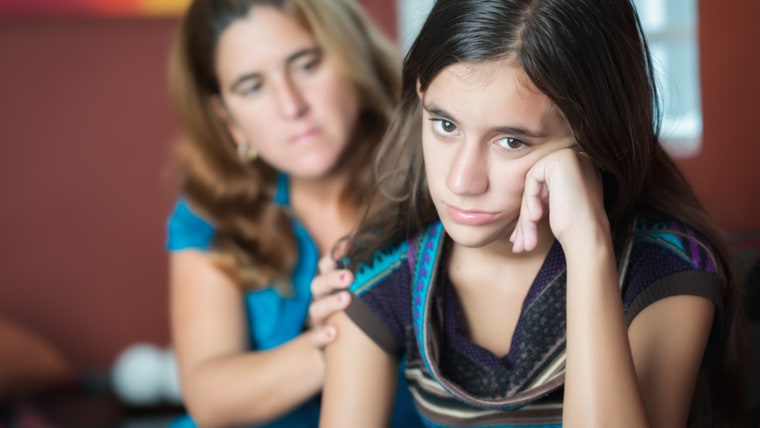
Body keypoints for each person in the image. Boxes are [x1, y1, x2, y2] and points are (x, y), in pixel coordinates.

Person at [317, 0, 747, 426]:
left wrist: (588, 248)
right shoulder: (384, 272)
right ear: (421, 96)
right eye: (446, 125)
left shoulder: (665, 265)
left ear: (591, 136)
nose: (462, 181)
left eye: (512, 141)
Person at [164, 0, 423, 427]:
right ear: (227, 118)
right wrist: (335, 339)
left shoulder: (442, 177)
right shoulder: (210, 212)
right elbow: (209, 398)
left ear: (351, 56)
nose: (291, 105)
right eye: (252, 86)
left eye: (306, 64)